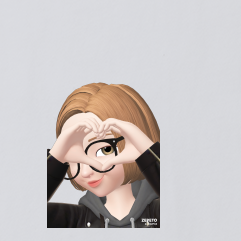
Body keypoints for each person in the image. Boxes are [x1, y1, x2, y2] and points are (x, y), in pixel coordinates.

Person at [47, 83, 160, 228]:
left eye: (105, 150)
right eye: (73, 159)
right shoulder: (75, 219)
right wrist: (56, 156)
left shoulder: (158, 214)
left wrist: (147, 152)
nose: (86, 172)